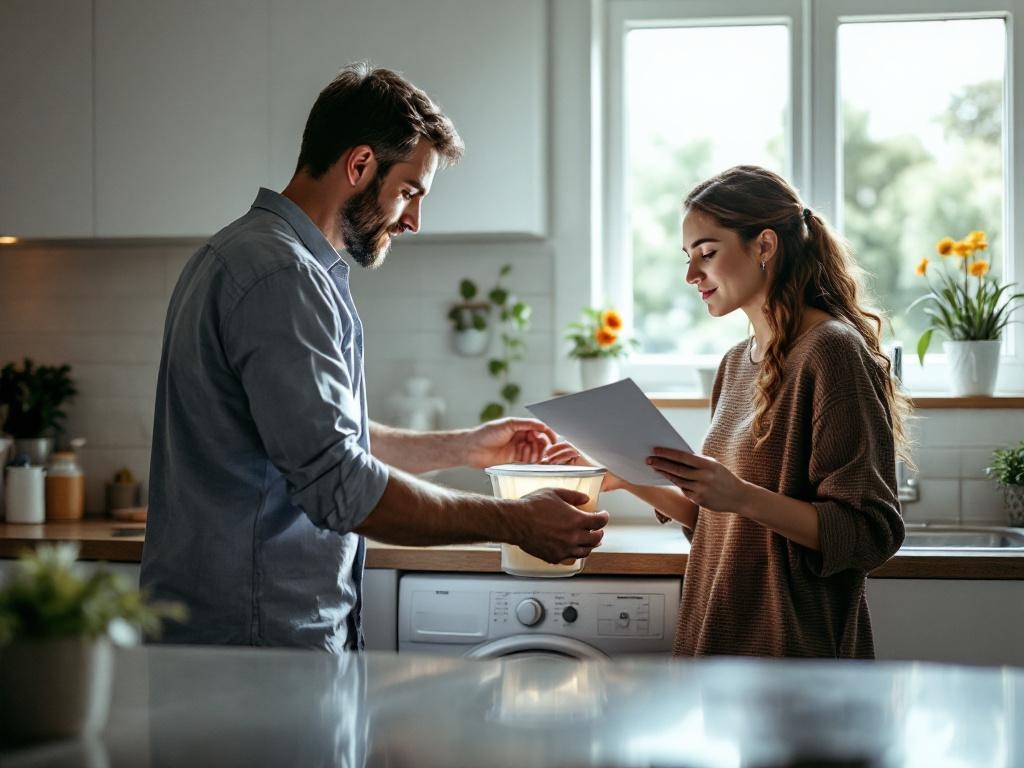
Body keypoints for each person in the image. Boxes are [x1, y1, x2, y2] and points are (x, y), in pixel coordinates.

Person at [140, 63, 608, 651]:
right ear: (360, 165)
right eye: (410, 192)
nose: (413, 219)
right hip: (256, 639)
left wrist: (464, 447)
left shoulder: (250, 255)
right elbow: (340, 484)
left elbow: (317, 441)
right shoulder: (281, 276)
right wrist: (514, 522)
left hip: (248, 632)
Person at [545, 165, 907, 658]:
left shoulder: (831, 352)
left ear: (763, 246)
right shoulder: (736, 363)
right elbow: (718, 521)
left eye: (707, 254)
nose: (692, 275)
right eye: (688, 258)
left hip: (794, 652)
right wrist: (625, 475)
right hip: (716, 638)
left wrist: (738, 494)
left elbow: (868, 534)